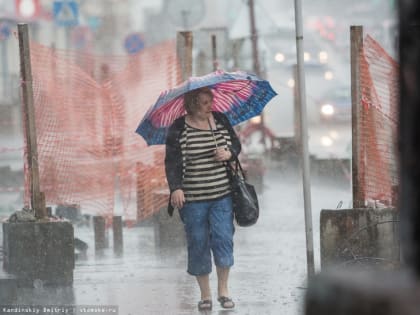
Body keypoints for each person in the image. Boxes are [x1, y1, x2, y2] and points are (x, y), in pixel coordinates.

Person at [165, 87, 241, 311]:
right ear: (192, 105)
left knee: (223, 238)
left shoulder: (220, 120)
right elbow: (172, 161)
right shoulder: (179, 127)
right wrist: (176, 188)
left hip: (222, 195)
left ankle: (224, 291)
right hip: (193, 198)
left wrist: (228, 152)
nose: (210, 106)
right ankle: (205, 294)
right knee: (198, 242)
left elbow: (236, 145)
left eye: (211, 101)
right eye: (205, 103)